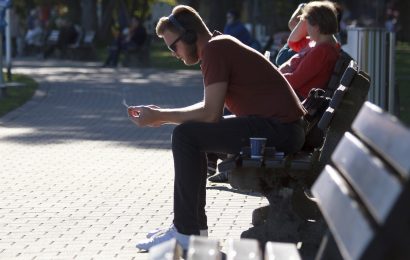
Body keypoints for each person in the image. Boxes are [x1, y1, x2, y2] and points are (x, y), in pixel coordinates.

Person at [127, 5, 306, 251]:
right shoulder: (217, 46)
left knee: (185, 136)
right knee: (191, 134)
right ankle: (192, 230)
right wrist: (161, 117)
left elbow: (210, 114)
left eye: (173, 46)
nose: (173, 54)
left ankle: (186, 232)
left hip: (279, 130)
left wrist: (161, 116)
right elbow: (210, 107)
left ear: (190, 36)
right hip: (281, 128)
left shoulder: (215, 49)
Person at [278, 1, 341, 100]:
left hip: (293, 98)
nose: (305, 29)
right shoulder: (316, 43)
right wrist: (305, 19)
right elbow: (293, 42)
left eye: (306, 25)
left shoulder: (322, 52)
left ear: (316, 26)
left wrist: (271, 76)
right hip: (288, 93)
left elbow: (294, 81)